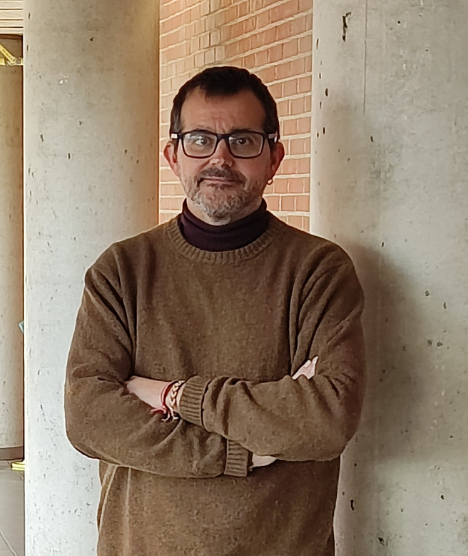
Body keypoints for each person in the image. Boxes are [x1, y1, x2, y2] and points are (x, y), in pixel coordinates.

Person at [64, 66, 366, 556]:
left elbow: (327, 419)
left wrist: (176, 396)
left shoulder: (318, 271)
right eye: (200, 140)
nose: (220, 158)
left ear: (274, 158)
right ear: (174, 155)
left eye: (242, 141)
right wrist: (236, 451)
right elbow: (89, 418)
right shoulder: (121, 271)